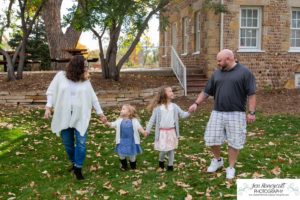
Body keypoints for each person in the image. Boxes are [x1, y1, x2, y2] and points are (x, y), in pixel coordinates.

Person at [188, 49, 256, 179]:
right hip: (217, 112)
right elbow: (206, 91)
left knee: (234, 142)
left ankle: (231, 167)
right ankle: (218, 160)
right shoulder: (217, 74)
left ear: (229, 59)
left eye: (220, 60)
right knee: (211, 138)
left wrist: (251, 112)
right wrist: (196, 103)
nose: (218, 63)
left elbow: (251, 94)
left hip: (236, 113)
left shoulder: (245, 72)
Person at [44, 55, 107, 180]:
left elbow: (93, 98)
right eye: (84, 66)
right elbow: (51, 91)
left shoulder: (85, 80)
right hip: (64, 115)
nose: (86, 68)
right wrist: (48, 107)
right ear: (76, 66)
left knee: (81, 143)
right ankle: (73, 162)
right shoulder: (60, 76)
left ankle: (78, 168)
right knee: (68, 143)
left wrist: (101, 114)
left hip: (81, 115)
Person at [146, 86, 190, 171]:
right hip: (162, 133)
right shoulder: (158, 108)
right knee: (163, 150)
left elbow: (183, 115)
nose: (172, 92)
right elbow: (152, 120)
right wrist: (147, 131)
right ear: (164, 94)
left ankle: (170, 165)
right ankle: (161, 161)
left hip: (172, 132)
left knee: (171, 149)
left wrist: (190, 111)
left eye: (172, 91)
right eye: (169, 91)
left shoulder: (174, 106)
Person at [105, 104, 147, 170]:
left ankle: (133, 166)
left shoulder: (134, 120)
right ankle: (124, 166)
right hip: (122, 141)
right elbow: (113, 124)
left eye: (123, 109)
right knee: (121, 154)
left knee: (132, 155)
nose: (121, 110)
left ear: (129, 112)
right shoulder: (119, 120)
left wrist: (144, 132)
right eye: (121, 109)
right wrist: (106, 123)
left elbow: (139, 128)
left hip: (132, 141)